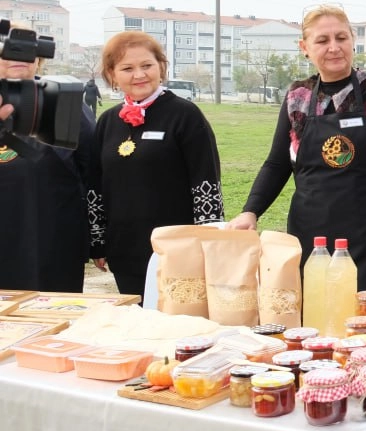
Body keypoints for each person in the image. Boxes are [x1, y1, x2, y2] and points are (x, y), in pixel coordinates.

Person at [228, 5, 366, 316]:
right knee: (319, 317)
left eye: (341, 37)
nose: (334, 47)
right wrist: (250, 211)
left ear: (352, 41)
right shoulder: (297, 97)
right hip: (313, 236)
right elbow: (277, 163)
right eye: (322, 40)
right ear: (305, 48)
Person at [88, 32, 224, 296]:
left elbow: (206, 183)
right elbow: (95, 186)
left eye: (147, 66)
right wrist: (98, 242)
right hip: (124, 249)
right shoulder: (107, 122)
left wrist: (210, 241)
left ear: (161, 67)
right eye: (127, 68)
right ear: (112, 75)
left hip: (178, 250)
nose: (139, 74)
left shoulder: (185, 115)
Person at [0, 23, 97, 291]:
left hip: (51, 247)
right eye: (7, 51)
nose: (17, 58)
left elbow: (95, 175)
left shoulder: (66, 103)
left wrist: (99, 239)